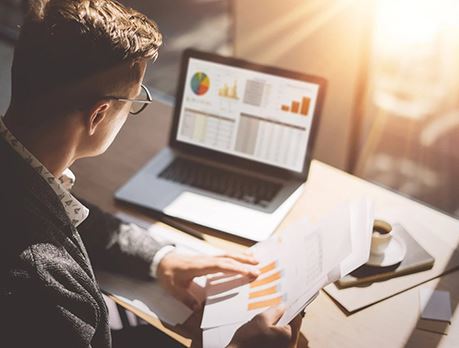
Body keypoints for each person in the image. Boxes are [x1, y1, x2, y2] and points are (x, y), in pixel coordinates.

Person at [0, 1, 303, 347]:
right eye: (134, 102)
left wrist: (162, 258)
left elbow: (61, 212)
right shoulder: (44, 287)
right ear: (98, 115)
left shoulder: (22, 176)